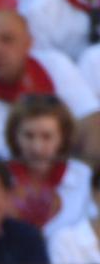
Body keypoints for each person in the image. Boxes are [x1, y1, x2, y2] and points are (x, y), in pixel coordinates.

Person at [0, 9, 100, 160]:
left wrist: (84, 176)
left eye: (7, 40)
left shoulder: (56, 65)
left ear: (28, 43)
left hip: (64, 177)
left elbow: (92, 122)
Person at [5, 93, 92, 232]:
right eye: (28, 136)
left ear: (63, 138)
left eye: (47, 137)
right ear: (14, 136)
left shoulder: (83, 176)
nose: (37, 148)